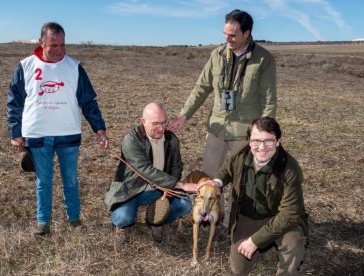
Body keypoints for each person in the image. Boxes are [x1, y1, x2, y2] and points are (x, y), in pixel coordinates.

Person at [7, 22, 109, 236]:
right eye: (54, 46)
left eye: (63, 45)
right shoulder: (25, 66)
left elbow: (88, 102)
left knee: (70, 180)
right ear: (41, 42)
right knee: (43, 181)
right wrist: (15, 133)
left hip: (68, 134)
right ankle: (43, 223)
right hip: (37, 134)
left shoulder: (74, 67)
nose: (59, 51)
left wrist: (99, 130)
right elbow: (15, 102)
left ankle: (74, 219)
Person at [167, 9, 277, 179]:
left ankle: (236, 207)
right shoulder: (216, 55)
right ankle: (212, 207)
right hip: (217, 126)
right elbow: (201, 88)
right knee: (209, 178)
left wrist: (266, 133)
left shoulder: (264, 58)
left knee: (240, 181)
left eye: (232, 35)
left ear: (246, 33)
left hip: (244, 130)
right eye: (225, 34)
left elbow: (269, 100)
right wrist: (184, 116)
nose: (227, 39)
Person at [199, 117, 308, 275]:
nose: (262, 147)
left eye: (269, 141)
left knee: (294, 243)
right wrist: (217, 182)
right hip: (246, 217)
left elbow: (290, 214)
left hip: (278, 218)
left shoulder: (289, 168)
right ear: (249, 141)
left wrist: (255, 241)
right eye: (256, 141)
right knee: (238, 269)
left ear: (278, 141)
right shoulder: (241, 152)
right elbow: (227, 169)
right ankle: (265, 244)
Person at [104, 102, 197, 244]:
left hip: (159, 190)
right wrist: (179, 185)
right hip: (131, 189)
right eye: (155, 124)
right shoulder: (131, 140)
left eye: (164, 123)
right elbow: (145, 169)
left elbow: (176, 167)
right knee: (124, 218)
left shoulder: (171, 139)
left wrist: (169, 188)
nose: (161, 128)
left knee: (185, 205)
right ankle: (122, 226)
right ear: (143, 122)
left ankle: (155, 222)